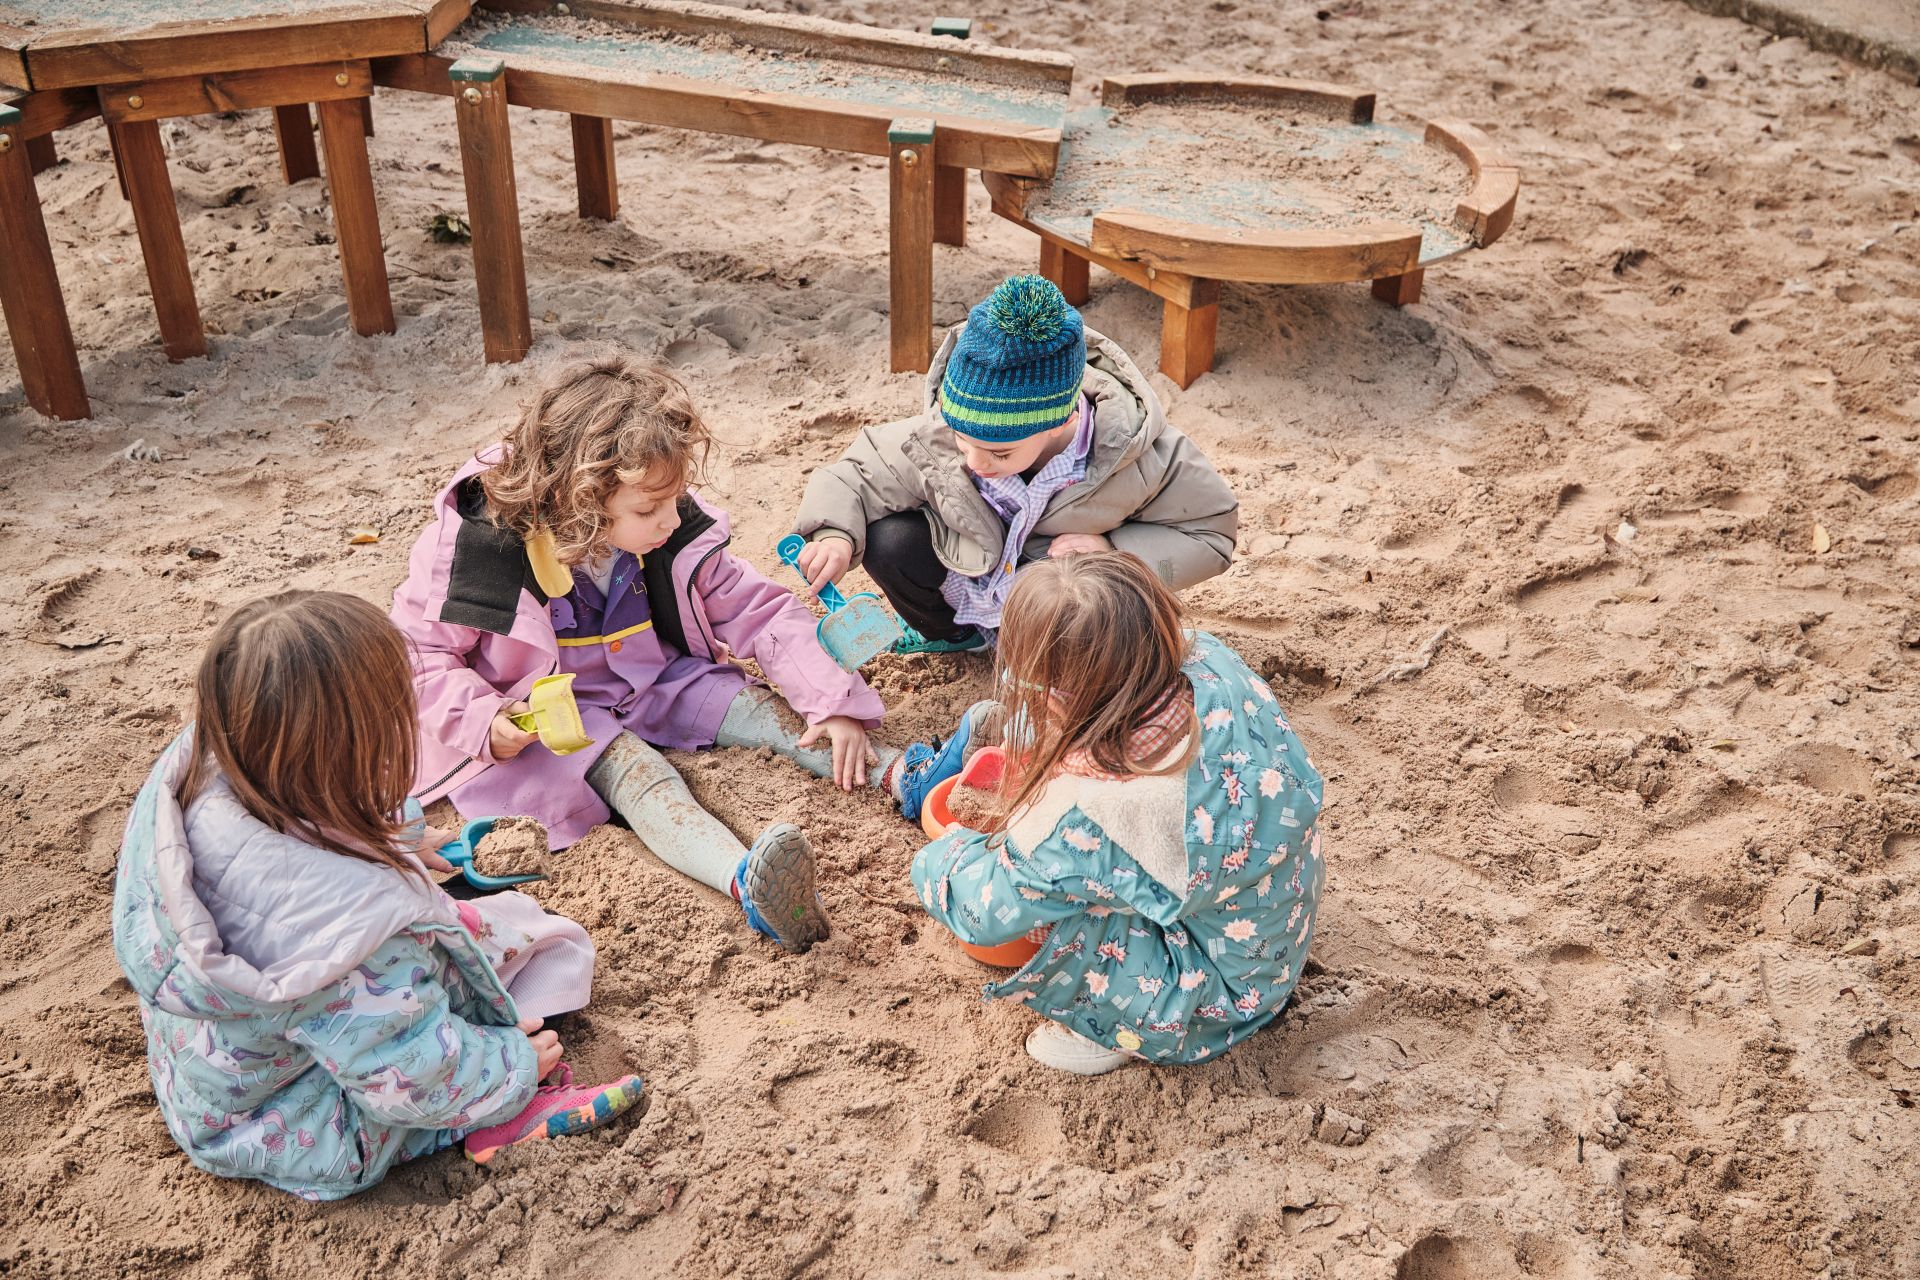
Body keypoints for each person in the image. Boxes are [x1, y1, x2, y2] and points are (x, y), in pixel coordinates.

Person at [112, 591, 640, 1200]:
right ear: (355, 756)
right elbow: (410, 1074)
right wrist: (511, 1068)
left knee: (484, 933)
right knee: (554, 948)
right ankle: (495, 1122)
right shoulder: (346, 945)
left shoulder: (211, 770)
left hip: (215, 1076)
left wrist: (400, 835)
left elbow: (317, 812)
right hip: (308, 1130)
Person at [392, 352, 893, 952]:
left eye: (673, 500)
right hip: (552, 718)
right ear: (578, 499)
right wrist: (484, 721)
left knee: (762, 712)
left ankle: (904, 775)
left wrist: (832, 701)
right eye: (647, 510)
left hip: (652, 676)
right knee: (642, 778)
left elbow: (754, 607)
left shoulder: (666, 525)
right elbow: (421, 658)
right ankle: (746, 883)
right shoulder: (479, 549)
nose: (667, 520)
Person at [907, 552, 1326, 1075]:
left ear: (1058, 695)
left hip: (1212, 1000)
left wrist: (938, 856)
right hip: (1275, 920)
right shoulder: (1211, 664)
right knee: (1085, 862)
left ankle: (1111, 1034)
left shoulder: (1089, 817)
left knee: (1046, 910)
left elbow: (983, 909)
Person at [788, 275, 1238, 657]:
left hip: (1056, 608)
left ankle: (1041, 656)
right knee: (890, 540)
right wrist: (834, 536)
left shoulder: (1142, 454)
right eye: (963, 442)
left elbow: (1211, 534)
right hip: (972, 576)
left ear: (1063, 418)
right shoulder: (943, 430)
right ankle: (954, 637)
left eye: (1000, 453)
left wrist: (1115, 551)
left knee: (1092, 610)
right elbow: (854, 475)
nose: (975, 462)